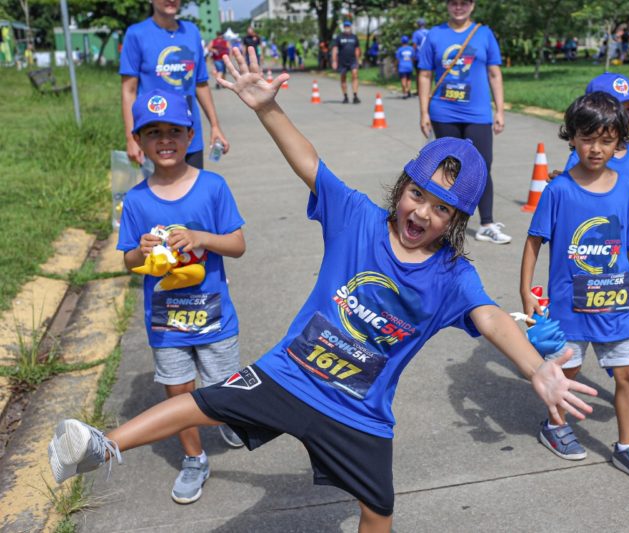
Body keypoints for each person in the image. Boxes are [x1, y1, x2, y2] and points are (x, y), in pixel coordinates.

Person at [48, 47, 597, 532]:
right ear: (401, 186)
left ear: (456, 220)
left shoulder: (453, 273)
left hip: (360, 412)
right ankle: (104, 444)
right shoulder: (357, 218)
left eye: (441, 209)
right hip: (291, 374)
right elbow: (310, 162)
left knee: (378, 510)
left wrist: (535, 368)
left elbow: (494, 319)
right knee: (203, 403)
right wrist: (266, 107)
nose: (421, 213)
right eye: (417, 194)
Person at [520, 92, 629, 483]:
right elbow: (534, 241)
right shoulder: (559, 190)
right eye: (587, 138)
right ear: (572, 138)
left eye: (605, 140)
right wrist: (526, 292)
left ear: (619, 144)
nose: (595, 148)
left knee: (628, 373)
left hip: (616, 300)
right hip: (570, 306)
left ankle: (628, 446)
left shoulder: (626, 188)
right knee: (570, 371)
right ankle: (554, 425)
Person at [112, 89, 246, 503]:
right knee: (178, 391)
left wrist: (202, 237)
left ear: (191, 136)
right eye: (153, 132)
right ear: (139, 141)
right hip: (166, 321)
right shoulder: (134, 199)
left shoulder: (212, 186)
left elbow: (237, 245)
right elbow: (128, 262)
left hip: (214, 315)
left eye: (174, 130)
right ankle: (194, 458)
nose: (165, 139)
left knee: (224, 387)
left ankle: (226, 417)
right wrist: (142, 250)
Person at [549, 73, 629, 423]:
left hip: (620, 260)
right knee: (588, 330)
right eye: (618, 108)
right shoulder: (582, 158)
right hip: (586, 266)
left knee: (621, 337)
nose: (626, 115)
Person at [417, 0, 511, 245]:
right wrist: (424, 112)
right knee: (450, 169)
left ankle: (487, 224)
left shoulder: (484, 34)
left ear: (473, 5)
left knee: (482, 165)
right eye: (454, 3)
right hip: (443, 111)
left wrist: (500, 110)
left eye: (464, 3)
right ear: (447, 5)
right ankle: (445, 225)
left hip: (477, 113)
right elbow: (425, 74)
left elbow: (494, 73)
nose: (459, 7)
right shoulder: (435, 35)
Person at [119, 0, 229, 170]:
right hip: (154, 138)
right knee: (158, 194)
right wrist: (130, 138)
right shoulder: (136, 34)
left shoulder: (191, 31)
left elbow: (200, 84)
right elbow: (129, 91)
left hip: (188, 136)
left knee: (192, 193)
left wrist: (215, 126)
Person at [332, 20, 361, 104]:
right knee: (343, 77)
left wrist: (358, 59)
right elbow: (335, 49)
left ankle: (355, 96)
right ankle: (345, 96)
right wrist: (334, 61)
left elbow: (357, 49)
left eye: (348, 26)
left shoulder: (354, 37)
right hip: (342, 61)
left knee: (355, 75)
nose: (347, 28)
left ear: (351, 27)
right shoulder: (339, 37)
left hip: (352, 60)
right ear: (343, 27)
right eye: (345, 27)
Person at [411, 17, 429, 95]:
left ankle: (419, 91)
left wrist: (413, 54)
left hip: (419, 56)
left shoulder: (416, 33)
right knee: (428, 74)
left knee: (419, 74)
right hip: (428, 56)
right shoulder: (429, 32)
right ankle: (428, 90)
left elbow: (414, 45)